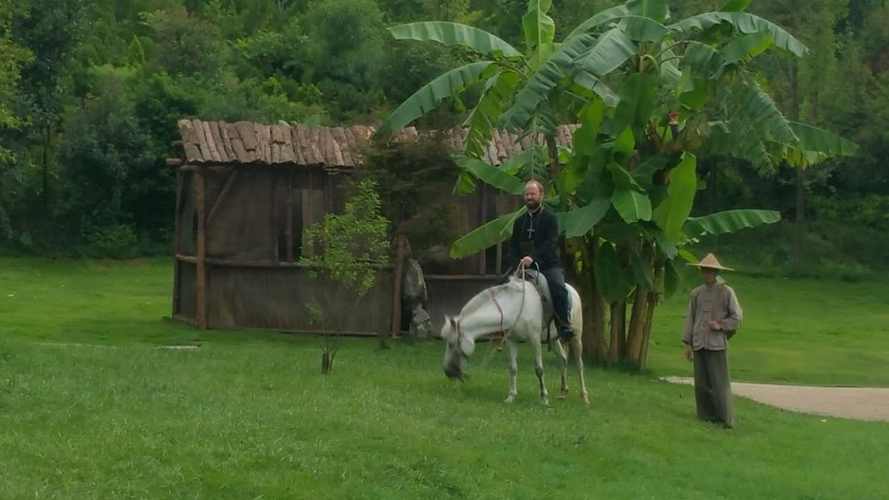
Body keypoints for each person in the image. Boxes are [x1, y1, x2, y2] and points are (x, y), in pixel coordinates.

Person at [682, 253, 744, 428]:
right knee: (701, 384)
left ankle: (726, 418)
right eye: (704, 270)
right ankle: (706, 416)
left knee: (719, 383)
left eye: (710, 271)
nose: (707, 274)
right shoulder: (696, 294)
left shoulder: (726, 292)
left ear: (716, 272)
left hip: (716, 344)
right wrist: (687, 344)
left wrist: (720, 325)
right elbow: (690, 319)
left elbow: (737, 318)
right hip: (699, 342)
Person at [508, 179, 573, 341]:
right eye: (527, 194)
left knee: (558, 288)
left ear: (541, 195)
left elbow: (550, 243)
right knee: (502, 286)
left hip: (548, 265)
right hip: (523, 267)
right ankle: (504, 327)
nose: (529, 197)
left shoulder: (550, 218)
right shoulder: (519, 222)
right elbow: (513, 246)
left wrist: (533, 257)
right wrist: (517, 262)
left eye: (532, 194)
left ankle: (564, 326)